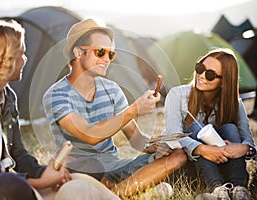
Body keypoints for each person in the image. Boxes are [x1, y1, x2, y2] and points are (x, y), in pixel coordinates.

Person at [0, 19, 119, 200]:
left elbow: (19, 156)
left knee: (87, 166)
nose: (25, 59)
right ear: (5, 58)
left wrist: (48, 172)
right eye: (21, 53)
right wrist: (42, 182)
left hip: (8, 183)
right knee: (14, 184)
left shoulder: (8, 98)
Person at [42, 18, 187, 199]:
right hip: (78, 171)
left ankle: (113, 193)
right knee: (84, 176)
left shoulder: (111, 90)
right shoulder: (57, 95)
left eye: (111, 54)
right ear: (78, 52)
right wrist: (133, 110)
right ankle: (127, 189)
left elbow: (137, 140)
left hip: (114, 167)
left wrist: (163, 144)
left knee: (178, 157)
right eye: (101, 52)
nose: (106, 59)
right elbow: (89, 134)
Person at [162, 48, 256, 200]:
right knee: (194, 127)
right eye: (200, 68)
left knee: (230, 128)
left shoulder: (235, 103)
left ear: (224, 82)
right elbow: (172, 136)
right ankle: (216, 189)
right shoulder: (177, 95)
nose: (201, 76)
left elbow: (249, 141)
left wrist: (243, 148)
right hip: (192, 168)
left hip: (224, 165)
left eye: (210, 74)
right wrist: (201, 149)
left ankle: (239, 189)